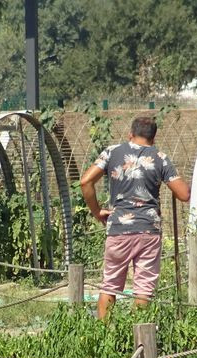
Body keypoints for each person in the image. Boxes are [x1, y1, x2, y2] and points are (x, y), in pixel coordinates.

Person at [80, 117, 190, 319]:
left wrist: (97, 211)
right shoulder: (160, 158)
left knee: (110, 284)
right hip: (148, 230)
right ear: (153, 138)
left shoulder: (112, 152)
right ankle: (139, 332)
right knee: (144, 288)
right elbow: (184, 194)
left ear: (130, 134)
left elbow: (86, 181)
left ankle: (104, 333)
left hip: (118, 229)